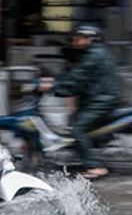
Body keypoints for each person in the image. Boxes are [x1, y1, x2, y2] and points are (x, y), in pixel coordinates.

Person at [38, 25, 119, 179]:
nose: (74, 41)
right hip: (95, 98)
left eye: (78, 38)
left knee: (78, 129)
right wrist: (54, 82)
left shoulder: (94, 55)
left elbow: (79, 77)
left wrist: (53, 86)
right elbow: (75, 74)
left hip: (101, 101)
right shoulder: (92, 52)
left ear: (89, 39)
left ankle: (95, 166)